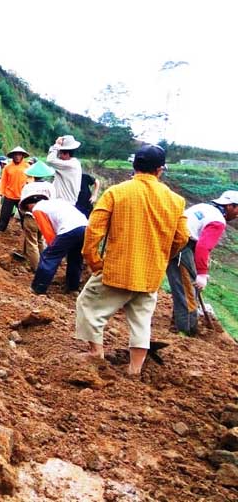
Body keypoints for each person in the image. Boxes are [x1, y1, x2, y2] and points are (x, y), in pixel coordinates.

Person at [76, 144, 188, 375]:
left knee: (87, 305)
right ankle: (134, 369)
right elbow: (182, 237)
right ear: (160, 170)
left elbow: (94, 231)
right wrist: (162, 256)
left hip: (117, 270)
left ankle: (96, 352)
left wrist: (94, 261)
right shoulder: (176, 201)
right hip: (150, 274)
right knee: (141, 321)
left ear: (134, 165)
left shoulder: (117, 192)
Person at [166, 191, 238, 335]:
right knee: (188, 290)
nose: (237, 215)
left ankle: (178, 323)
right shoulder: (218, 220)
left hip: (173, 240)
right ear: (230, 206)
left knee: (183, 286)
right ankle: (187, 331)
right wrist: (202, 274)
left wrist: (201, 269)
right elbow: (203, 247)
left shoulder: (204, 207)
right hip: (182, 246)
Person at [20, 185, 88, 294]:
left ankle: (38, 288)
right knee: (76, 258)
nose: (30, 211)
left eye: (28, 209)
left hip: (68, 229)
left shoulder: (38, 208)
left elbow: (48, 233)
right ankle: (73, 288)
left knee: (49, 257)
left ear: (30, 204)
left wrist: (54, 249)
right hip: (85, 227)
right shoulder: (57, 203)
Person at [17, 181, 53, 271]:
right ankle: (43, 263)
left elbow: (21, 204)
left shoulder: (27, 187)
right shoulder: (49, 186)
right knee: (40, 240)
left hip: (31, 217)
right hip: (43, 217)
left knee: (32, 243)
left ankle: (37, 268)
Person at [0, 146, 30, 233]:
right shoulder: (7, 167)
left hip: (22, 196)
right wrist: (0, 194)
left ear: (22, 156)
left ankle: (26, 232)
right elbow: (3, 182)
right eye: (15, 155)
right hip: (9, 195)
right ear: (12, 156)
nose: (17, 156)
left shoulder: (27, 167)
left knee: (24, 216)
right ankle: (0, 230)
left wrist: (27, 184)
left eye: (19, 155)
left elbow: (31, 179)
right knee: (4, 215)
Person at [47, 135, 83, 203]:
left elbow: (50, 160)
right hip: (65, 202)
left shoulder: (69, 165)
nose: (58, 155)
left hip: (64, 203)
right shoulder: (73, 163)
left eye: (59, 153)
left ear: (65, 154)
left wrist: (57, 144)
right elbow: (51, 158)